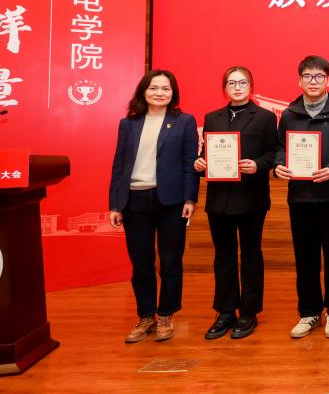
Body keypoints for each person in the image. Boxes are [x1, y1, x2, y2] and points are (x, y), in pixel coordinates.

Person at [108, 69, 198, 343]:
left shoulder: (184, 121)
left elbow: (189, 163)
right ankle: (146, 315)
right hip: (134, 200)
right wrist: (115, 204)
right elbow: (119, 165)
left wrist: (190, 198)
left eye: (165, 89)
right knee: (141, 263)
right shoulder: (129, 124)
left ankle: (166, 314)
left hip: (171, 201)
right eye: (154, 88)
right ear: (143, 91)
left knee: (170, 261)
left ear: (173, 93)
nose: (160, 93)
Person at [275, 55, 329, 339]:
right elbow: (280, 148)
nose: (313, 81)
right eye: (308, 76)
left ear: (328, 80)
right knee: (305, 258)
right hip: (300, 197)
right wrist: (279, 165)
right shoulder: (290, 114)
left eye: (319, 76)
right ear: (299, 81)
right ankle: (309, 312)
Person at [194, 66, 278, 340]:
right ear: (225, 88)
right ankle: (226, 311)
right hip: (219, 199)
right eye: (232, 83)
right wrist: (200, 163)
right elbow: (206, 153)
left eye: (242, 83)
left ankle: (249, 312)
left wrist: (258, 165)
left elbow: (273, 153)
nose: (237, 87)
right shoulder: (212, 117)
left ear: (251, 87)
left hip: (251, 197)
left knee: (251, 255)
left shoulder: (265, 117)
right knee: (224, 256)